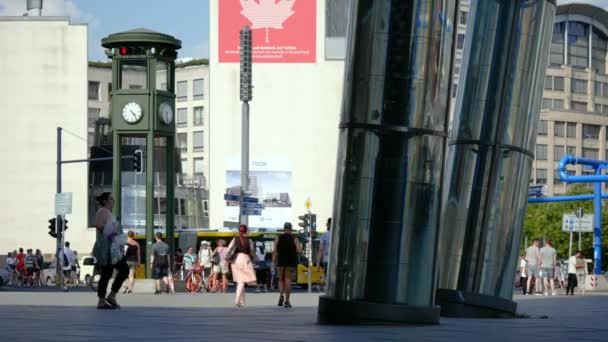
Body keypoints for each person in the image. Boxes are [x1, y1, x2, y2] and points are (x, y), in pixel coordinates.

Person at [92, 192, 129, 309]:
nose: (113, 201)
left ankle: (107, 298)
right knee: (117, 271)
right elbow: (98, 225)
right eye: (111, 199)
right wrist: (112, 233)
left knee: (108, 273)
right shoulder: (102, 211)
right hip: (106, 247)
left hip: (111, 247)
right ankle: (106, 298)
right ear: (105, 201)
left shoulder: (108, 212)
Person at [273, 222, 302, 308]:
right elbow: (299, 250)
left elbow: (274, 251)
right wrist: (299, 251)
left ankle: (281, 295)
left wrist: (273, 260)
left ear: (284, 228)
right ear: (291, 229)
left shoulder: (278, 238)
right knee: (288, 280)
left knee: (280, 280)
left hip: (281, 261)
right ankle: (287, 300)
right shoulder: (295, 239)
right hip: (291, 262)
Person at [228, 224, 257, 307]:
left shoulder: (235, 239)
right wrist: (255, 259)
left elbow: (229, 249)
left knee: (240, 281)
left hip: (236, 259)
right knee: (242, 281)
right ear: (246, 231)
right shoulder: (249, 240)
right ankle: (237, 300)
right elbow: (252, 252)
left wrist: (228, 259)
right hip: (245, 259)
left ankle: (242, 301)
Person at [316, 218, 332, 290]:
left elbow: (320, 250)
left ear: (329, 224)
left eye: (327, 223)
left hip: (327, 260)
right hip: (337, 261)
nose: (326, 225)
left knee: (327, 276)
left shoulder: (325, 235)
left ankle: (327, 289)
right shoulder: (340, 234)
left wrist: (318, 263)